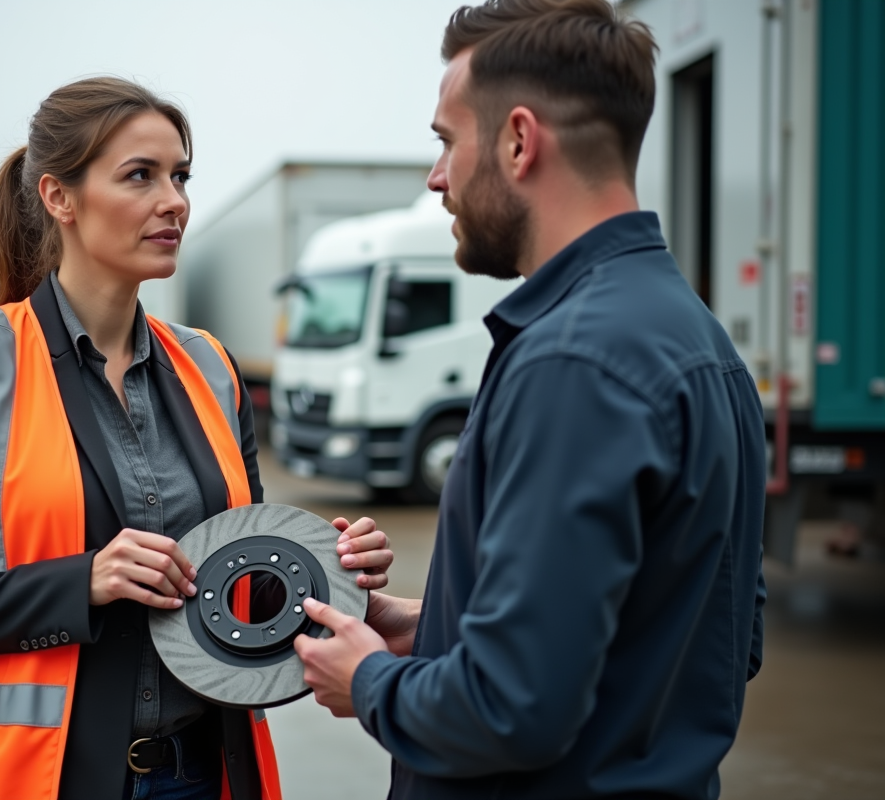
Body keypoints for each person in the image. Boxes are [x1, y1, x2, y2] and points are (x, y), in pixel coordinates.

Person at [294, 2, 768, 798]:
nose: (435, 176)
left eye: (446, 141)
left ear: (519, 141)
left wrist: (371, 683)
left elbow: (511, 709)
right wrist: (432, 629)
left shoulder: (571, 362)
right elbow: (722, 638)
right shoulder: (701, 343)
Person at [0, 77, 394, 800]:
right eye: (140, 176)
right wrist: (82, 581)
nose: (174, 200)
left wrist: (330, 571)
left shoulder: (211, 367)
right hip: (39, 779)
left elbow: (237, 587)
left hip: (201, 770)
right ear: (60, 198)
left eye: (180, 176)